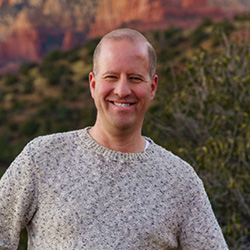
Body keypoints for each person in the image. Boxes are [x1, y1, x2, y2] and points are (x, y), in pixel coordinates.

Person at [0, 28, 228, 250]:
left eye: (135, 78)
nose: (122, 90)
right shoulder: (41, 158)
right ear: (93, 84)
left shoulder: (181, 181)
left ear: (153, 87)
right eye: (111, 77)